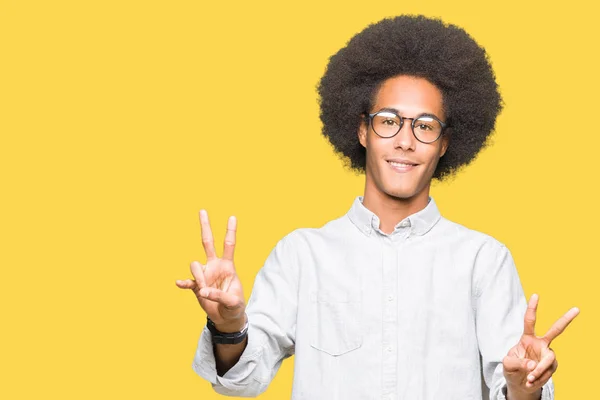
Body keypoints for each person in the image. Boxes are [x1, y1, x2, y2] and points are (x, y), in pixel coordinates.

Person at [176, 15, 579, 400]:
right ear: (362, 130)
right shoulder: (302, 255)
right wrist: (228, 327)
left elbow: (514, 385)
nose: (405, 141)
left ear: (444, 143)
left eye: (424, 125)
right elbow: (242, 381)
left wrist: (525, 385)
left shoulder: (483, 261)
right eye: (389, 120)